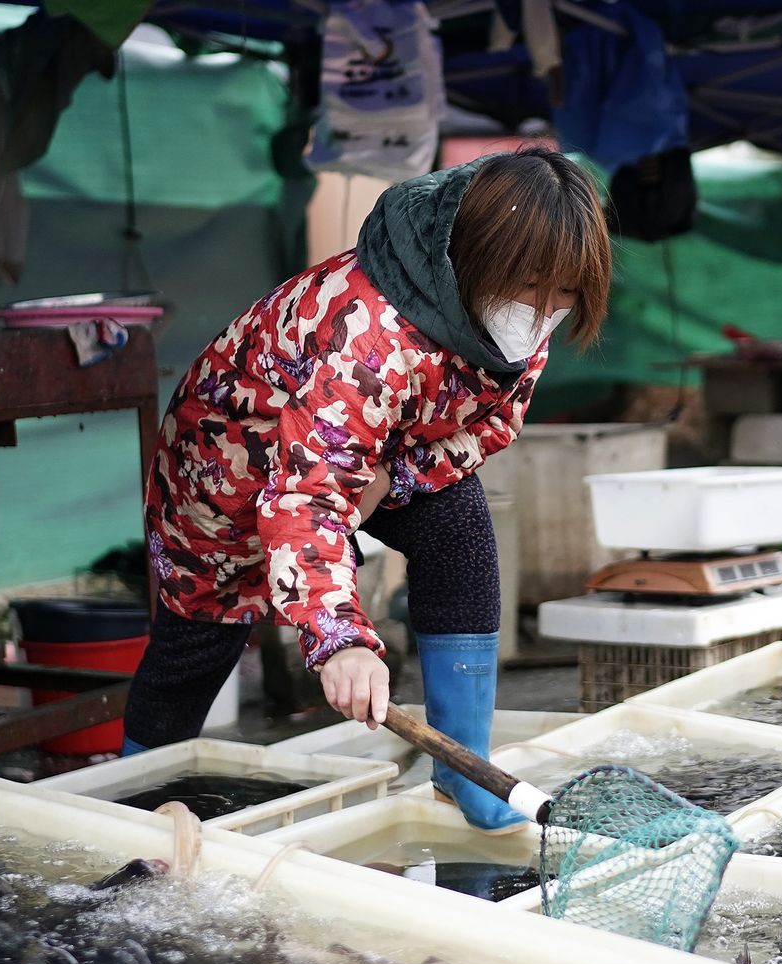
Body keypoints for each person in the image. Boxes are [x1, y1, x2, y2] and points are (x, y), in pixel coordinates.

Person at [131, 148, 611, 832]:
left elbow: (495, 420)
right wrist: (340, 638)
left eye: (564, 294)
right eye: (533, 287)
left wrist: (399, 475)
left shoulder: (519, 309)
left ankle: (465, 773)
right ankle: (136, 801)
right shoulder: (372, 337)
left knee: (458, 523)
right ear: (476, 260)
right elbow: (309, 498)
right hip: (228, 467)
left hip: (371, 454)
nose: (544, 313)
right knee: (200, 635)